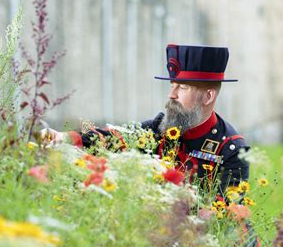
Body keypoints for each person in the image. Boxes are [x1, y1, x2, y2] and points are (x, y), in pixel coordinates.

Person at [44, 44, 250, 196]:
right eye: (172, 85)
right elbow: (114, 137)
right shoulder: (157, 129)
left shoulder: (230, 149)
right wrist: (63, 138)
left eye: (183, 87)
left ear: (208, 97)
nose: (172, 95)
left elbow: (226, 215)